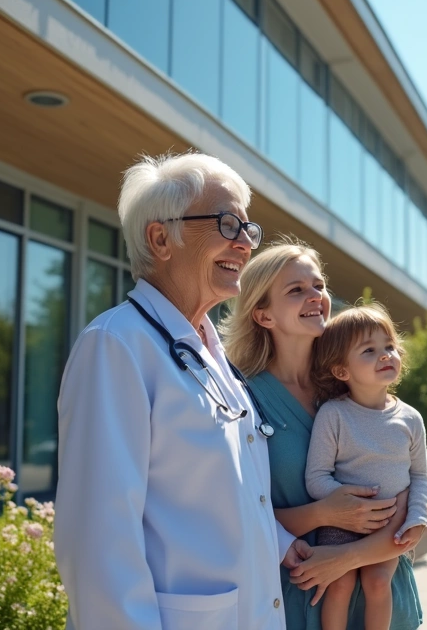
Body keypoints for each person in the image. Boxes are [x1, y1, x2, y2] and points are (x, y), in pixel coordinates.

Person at [54, 153, 309, 629]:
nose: (244, 243)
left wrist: (280, 542)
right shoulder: (115, 346)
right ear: (159, 238)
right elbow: (98, 538)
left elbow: (216, 496)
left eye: (249, 230)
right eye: (228, 224)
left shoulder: (212, 356)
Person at [222, 241, 424, 630]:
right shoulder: (242, 400)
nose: (315, 297)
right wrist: (323, 513)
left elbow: (406, 502)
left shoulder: (356, 380)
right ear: (263, 316)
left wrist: (349, 558)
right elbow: (239, 516)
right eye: (296, 290)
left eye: (318, 285)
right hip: (297, 601)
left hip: (382, 601)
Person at [305, 304, 427, 630]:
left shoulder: (410, 419)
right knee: (339, 584)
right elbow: (316, 476)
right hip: (340, 521)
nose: (385, 355)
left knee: (378, 583)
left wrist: (417, 517)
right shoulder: (333, 415)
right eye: (369, 350)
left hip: (391, 523)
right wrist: (346, 505)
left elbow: (420, 476)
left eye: (389, 346)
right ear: (342, 371)